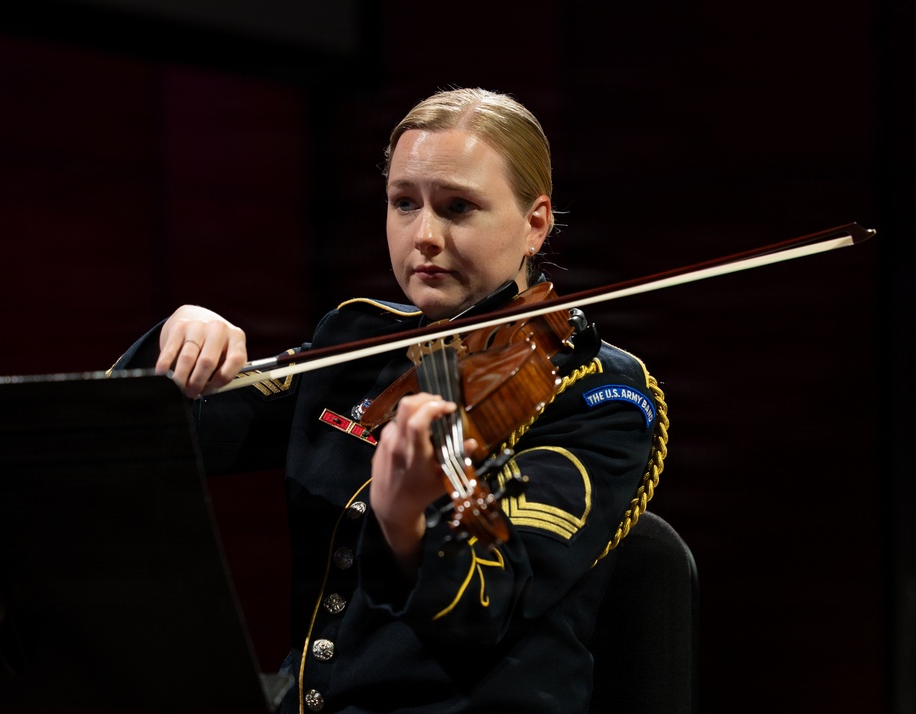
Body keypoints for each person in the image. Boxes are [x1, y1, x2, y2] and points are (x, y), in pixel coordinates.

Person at [113, 87, 667, 713]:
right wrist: (176, 348)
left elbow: (485, 607)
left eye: (458, 207)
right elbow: (138, 447)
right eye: (404, 203)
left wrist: (407, 525)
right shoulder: (357, 341)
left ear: (535, 222)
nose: (423, 236)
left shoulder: (595, 395)